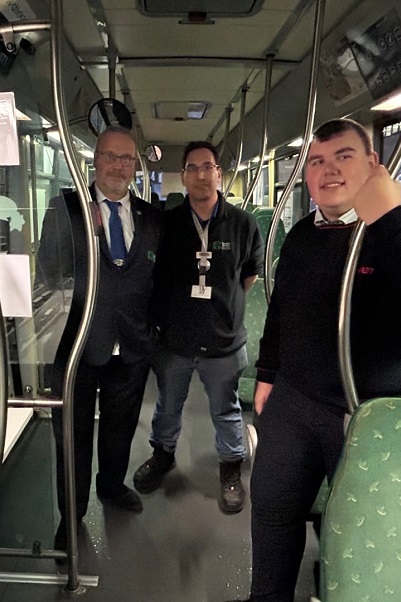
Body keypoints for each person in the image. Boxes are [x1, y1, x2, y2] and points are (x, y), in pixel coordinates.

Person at [247, 118, 401, 601]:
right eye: (316, 161)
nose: (328, 169)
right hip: (298, 401)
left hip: (381, 410)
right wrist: (267, 373)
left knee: (367, 533)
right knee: (272, 506)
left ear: (373, 165)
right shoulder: (300, 236)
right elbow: (281, 310)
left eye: (344, 156)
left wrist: (387, 220)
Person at [37, 126, 162, 548]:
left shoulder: (151, 217)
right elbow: (47, 276)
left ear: (135, 166)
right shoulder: (65, 208)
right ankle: (70, 517)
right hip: (74, 346)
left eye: (127, 159)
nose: (118, 166)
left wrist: (152, 339)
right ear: (95, 161)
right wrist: (84, 240)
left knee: (119, 428)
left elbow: (157, 282)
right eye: (110, 156)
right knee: (70, 436)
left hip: (130, 349)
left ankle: (110, 485)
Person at [132, 141, 264, 514]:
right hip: (175, 341)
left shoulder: (243, 223)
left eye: (209, 167)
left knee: (226, 410)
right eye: (193, 168)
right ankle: (162, 456)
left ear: (219, 174)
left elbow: (248, 275)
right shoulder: (167, 224)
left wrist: (221, 308)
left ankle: (230, 470)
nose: (202, 175)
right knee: (168, 406)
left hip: (223, 341)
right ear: (185, 175)